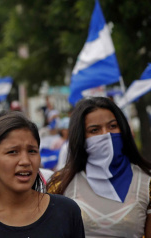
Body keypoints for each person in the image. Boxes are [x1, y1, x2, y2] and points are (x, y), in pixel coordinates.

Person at [47, 97, 151, 237]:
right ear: (81, 137)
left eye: (112, 126)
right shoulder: (60, 184)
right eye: (94, 130)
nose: (106, 134)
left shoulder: (147, 182)